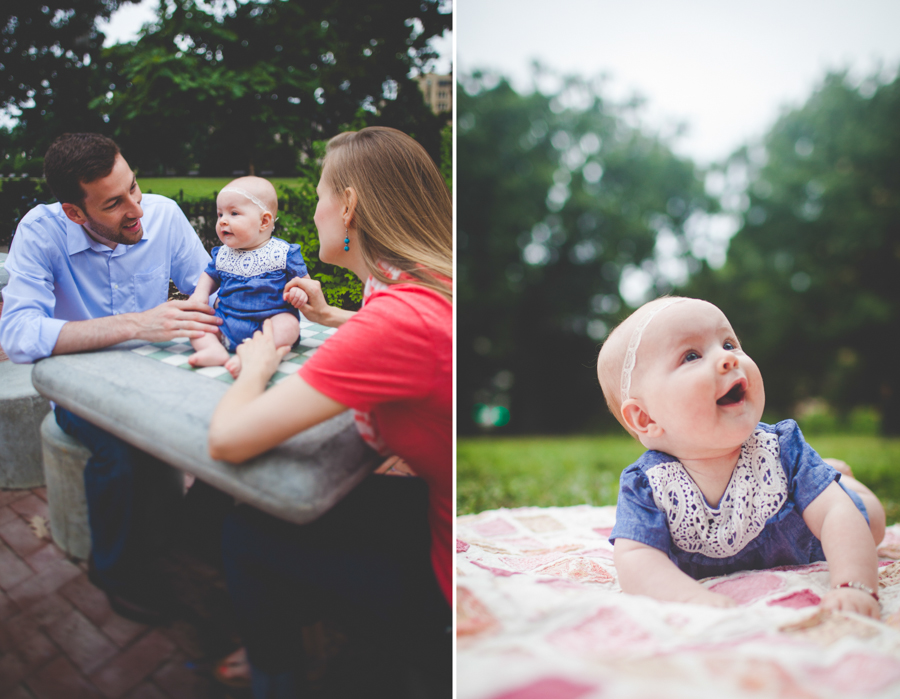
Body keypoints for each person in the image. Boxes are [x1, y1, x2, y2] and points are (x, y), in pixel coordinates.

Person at [207, 126, 452, 698]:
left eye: (318, 195)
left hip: (438, 578)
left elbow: (229, 439)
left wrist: (261, 360)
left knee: (244, 533)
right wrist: (330, 317)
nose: (314, 211)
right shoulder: (429, 278)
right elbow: (407, 337)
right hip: (432, 511)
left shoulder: (393, 320)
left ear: (348, 205)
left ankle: (280, 675)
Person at [0, 133, 220, 622]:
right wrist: (139, 324)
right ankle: (115, 570)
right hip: (83, 385)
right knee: (120, 451)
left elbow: (208, 287)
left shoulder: (162, 214)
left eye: (134, 188)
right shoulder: (42, 231)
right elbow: (17, 335)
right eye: (115, 203)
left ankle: (192, 537)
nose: (137, 209)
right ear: (75, 212)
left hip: (158, 372)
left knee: (224, 425)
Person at [597, 296, 886, 617]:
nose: (726, 358)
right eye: (691, 356)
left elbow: (835, 513)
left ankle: (834, 479)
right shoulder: (648, 486)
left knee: (869, 519)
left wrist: (854, 584)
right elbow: (636, 557)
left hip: (808, 538)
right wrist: (689, 599)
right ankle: (826, 473)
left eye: (729, 344)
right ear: (645, 418)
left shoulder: (780, 448)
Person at [188, 175, 310, 378]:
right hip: (226, 321)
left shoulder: (283, 252)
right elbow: (209, 276)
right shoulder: (223, 254)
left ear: (264, 221)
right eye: (220, 214)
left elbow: (305, 282)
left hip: (270, 324)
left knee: (289, 325)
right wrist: (200, 295)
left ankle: (256, 355)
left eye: (234, 213)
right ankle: (213, 349)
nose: (223, 221)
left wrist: (299, 290)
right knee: (196, 324)